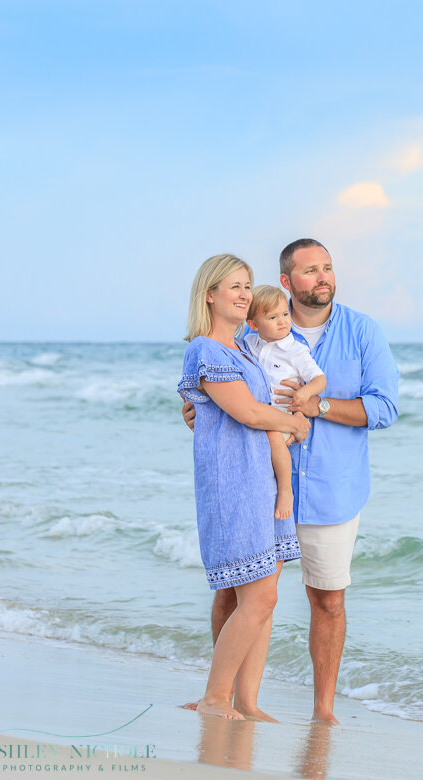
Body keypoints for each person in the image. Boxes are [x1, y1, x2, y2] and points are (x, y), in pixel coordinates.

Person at [183, 239, 399, 724]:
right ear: (286, 282)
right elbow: (226, 391)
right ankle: (226, 699)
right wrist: (199, 408)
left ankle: (322, 712)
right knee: (238, 593)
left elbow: (385, 409)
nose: (322, 278)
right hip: (257, 484)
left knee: (326, 598)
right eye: (309, 271)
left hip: (330, 489)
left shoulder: (362, 332)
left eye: (327, 268)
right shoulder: (251, 332)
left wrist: (315, 407)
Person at [177, 254, 311, 721]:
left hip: (263, 480)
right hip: (232, 482)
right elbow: (248, 413)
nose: (243, 293)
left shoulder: (246, 350)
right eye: (233, 285)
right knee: (259, 596)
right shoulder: (205, 350)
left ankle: (246, 702)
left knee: (262, 595)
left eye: (248, 285)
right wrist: (292, 422)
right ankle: (216, 698)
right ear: (209, 294)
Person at [243, 285, 326, 521]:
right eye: (272, 317)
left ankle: (286, 491)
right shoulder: (249, 344)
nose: (282, 322)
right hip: (256, 414)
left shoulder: (295, 350)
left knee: (273, 438)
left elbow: (320, 379)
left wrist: (304, 394)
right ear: (254, 324)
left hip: (280, 416)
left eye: (284, 314)